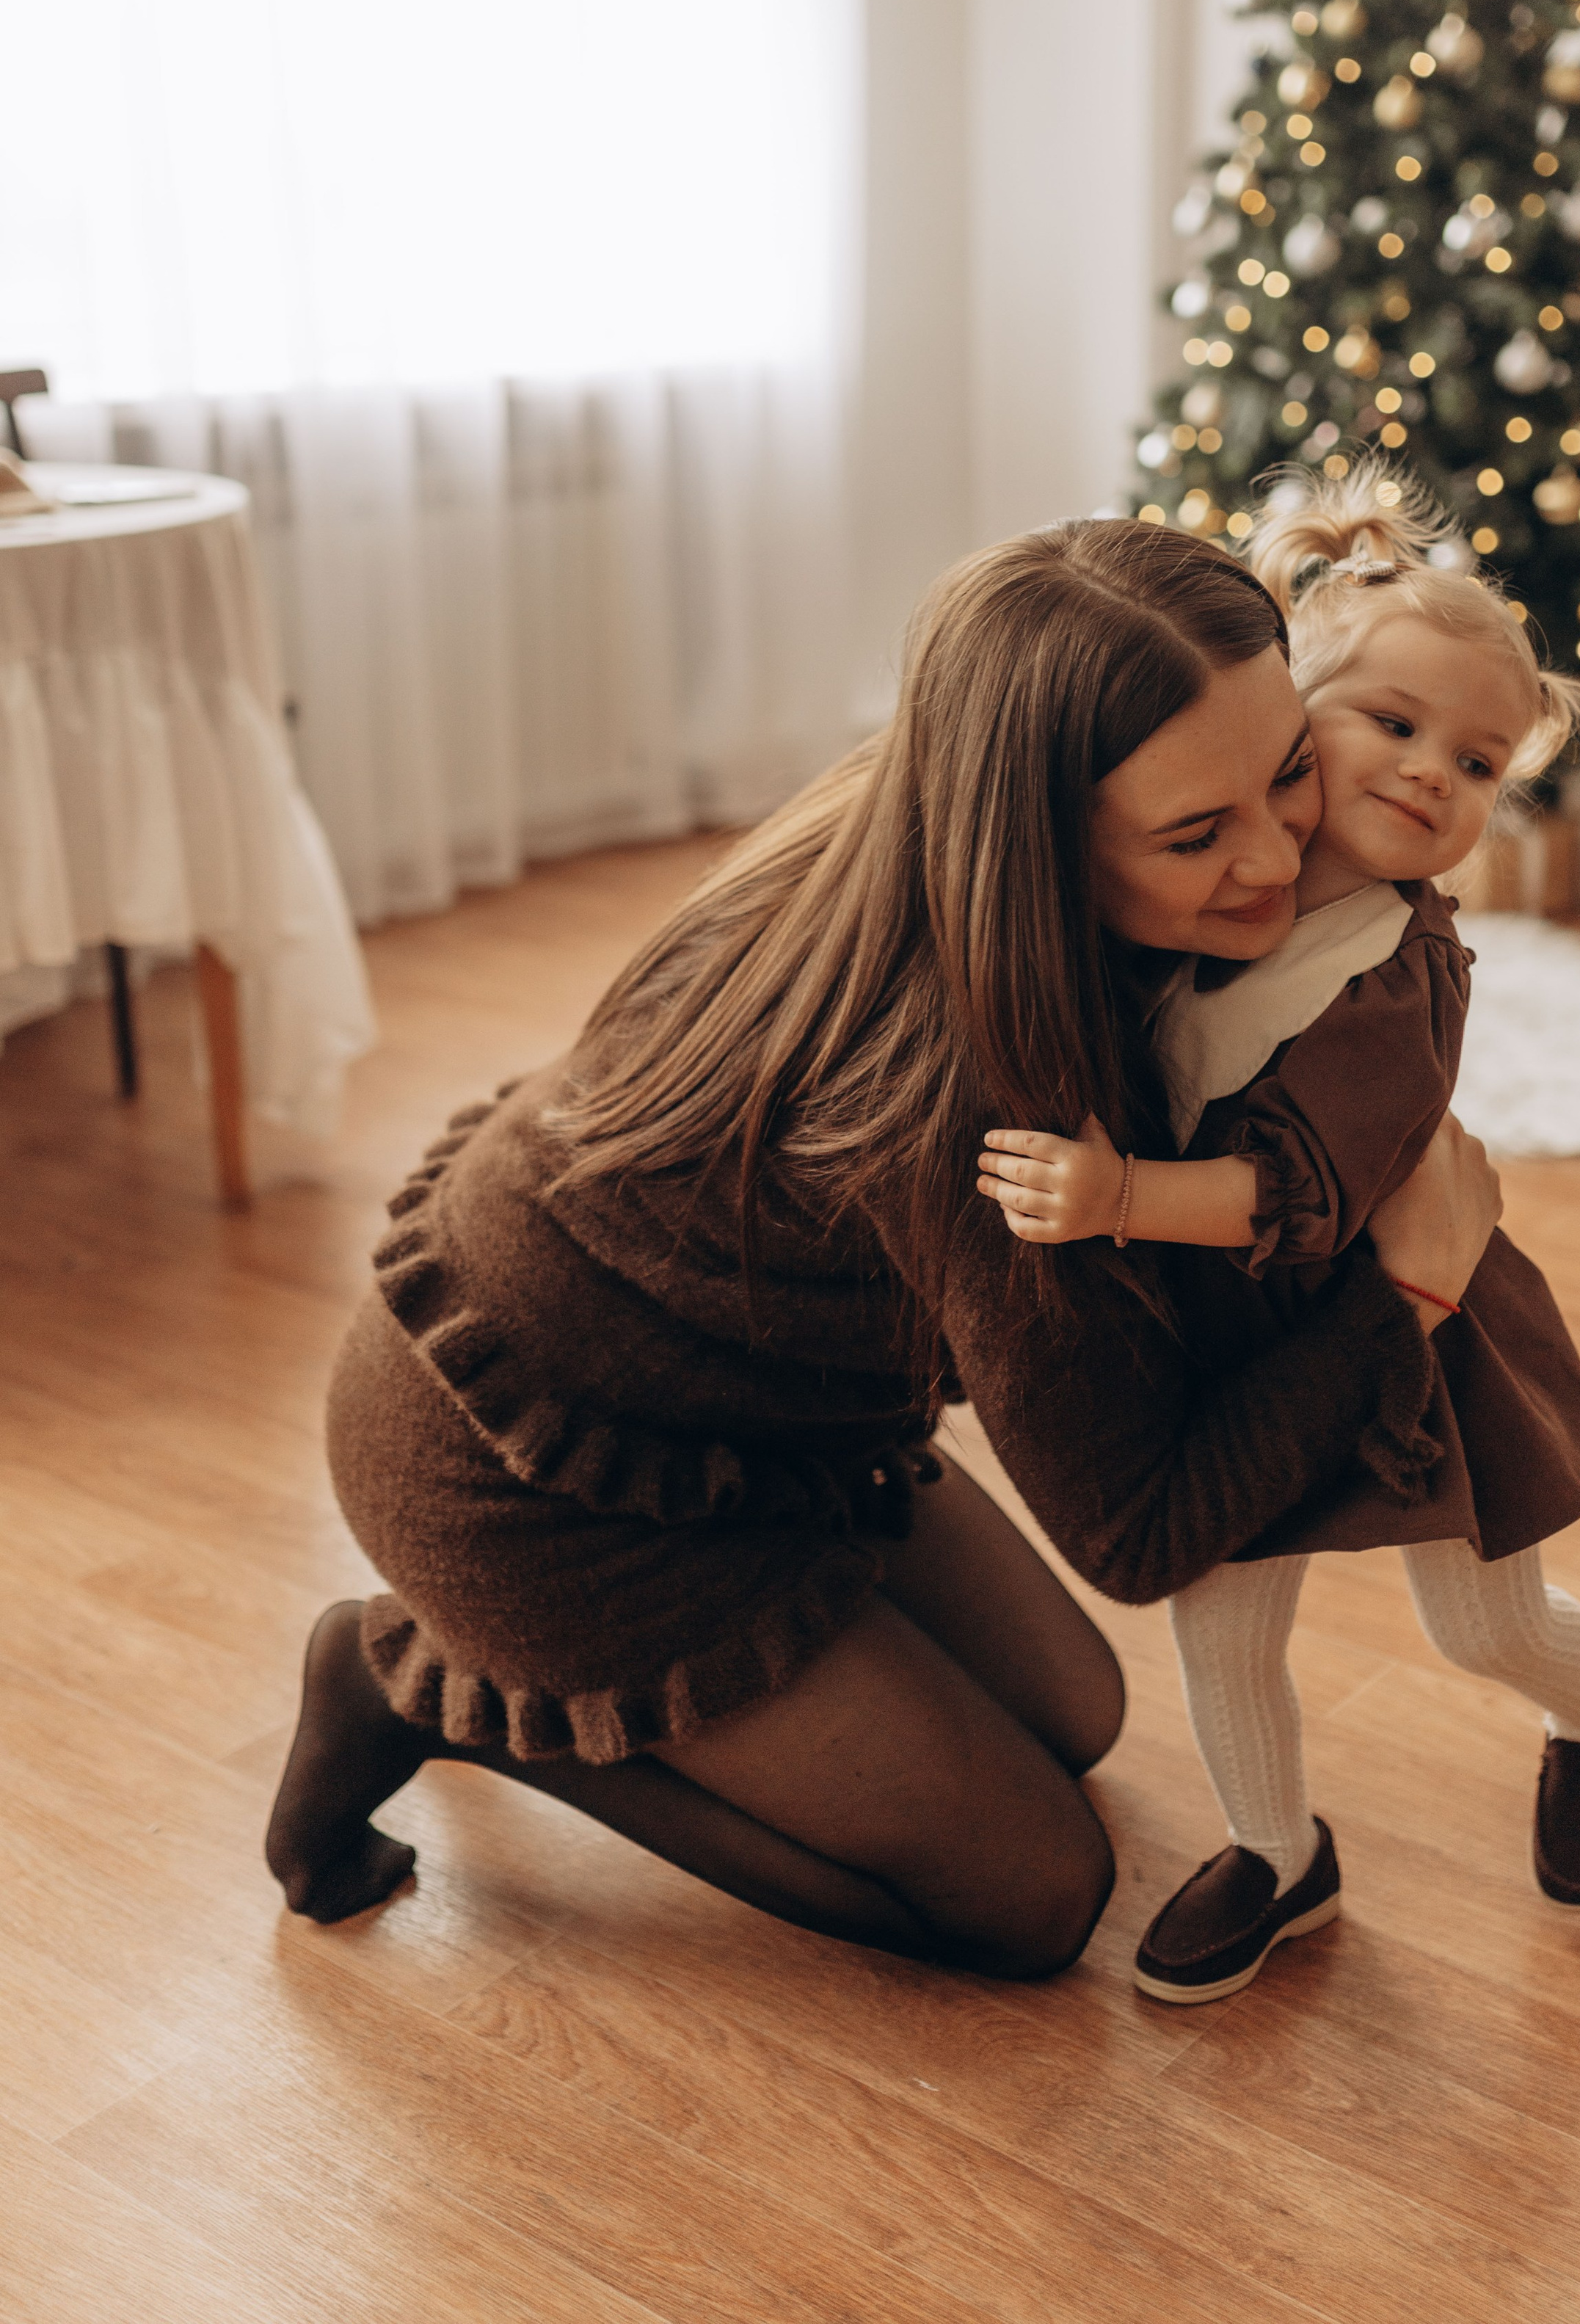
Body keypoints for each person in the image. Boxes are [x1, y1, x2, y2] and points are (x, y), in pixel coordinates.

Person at [268, 517, 1501, 1980]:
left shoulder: (930, 809)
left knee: (1077, 1717)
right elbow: (1140, 1530)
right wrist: (1405, 1297)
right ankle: (407, 1686)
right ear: (1037, 835)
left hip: (742, 1412)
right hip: (529, 1484)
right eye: (1193, 834)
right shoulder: (978, 1106)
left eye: (1286, 767)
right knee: (1034, 1897)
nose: (1276, 852)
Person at [977, 465, 1580, 2005]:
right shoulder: (1213, 892)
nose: (1430, 774)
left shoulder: (1396, 975)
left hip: (1406, 1343)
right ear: (1291, 730)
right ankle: (1275, 1854)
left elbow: (1300, 1192)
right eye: (1392, 726)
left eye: (1475, 760)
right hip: (1231, 1352)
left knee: (1483, 1623)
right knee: (1222, 1631)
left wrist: (1117, 1202)